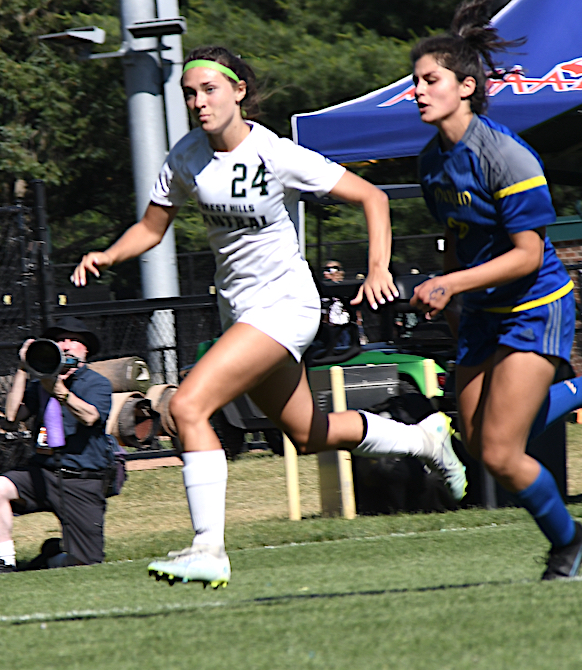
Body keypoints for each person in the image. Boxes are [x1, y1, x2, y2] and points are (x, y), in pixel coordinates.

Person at [72, 45, 467, 589]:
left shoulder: (276, 153)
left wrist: (378, 269)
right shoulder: (185, 156)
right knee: (308, 432)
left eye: (209, 89)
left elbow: (372, 198)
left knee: (188, 405)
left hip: (286, 305)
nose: (198, 102)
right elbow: (152, 228)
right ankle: (424, 440)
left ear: (239, 92)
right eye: (190, 93)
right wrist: (108, 254)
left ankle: (208, 548)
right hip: (241, 311)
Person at [408, 0, 582, 581]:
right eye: (415, 82)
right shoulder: (430, 163)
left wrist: (448, 285)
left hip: (533, 305)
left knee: (499, 451)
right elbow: (458, 240)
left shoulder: (507, 156)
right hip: (481, 311)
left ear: (467, 86)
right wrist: (453, 302)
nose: (418, 91)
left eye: (430, 80)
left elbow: (525, 256)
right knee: (479, 439)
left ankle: (568, 542)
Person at [0, 317, 114, 572]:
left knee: (86, 562)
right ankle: (6, 561)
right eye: (60, 339)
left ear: (86, 350)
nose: (66, 345)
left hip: (81, 478)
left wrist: (60, 391)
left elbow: (90, 417)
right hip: (43, 474)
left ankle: (50, 558)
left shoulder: (97, 383)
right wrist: (23, 369)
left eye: (74, 340)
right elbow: (12, 416)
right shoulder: (39, 385)